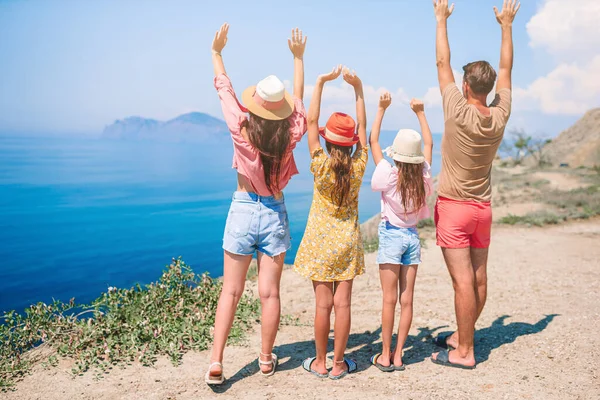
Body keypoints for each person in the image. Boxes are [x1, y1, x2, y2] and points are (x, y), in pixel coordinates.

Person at [205, 23, 308, 384]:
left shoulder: (241, 129)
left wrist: (217, 53)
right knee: (270, 293)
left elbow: (225, 90)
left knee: (230, 291)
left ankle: (217, 362)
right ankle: (265, 359)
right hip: (274, 212)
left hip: (244, 208)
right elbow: (299, 101)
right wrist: (298, 59)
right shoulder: (293, 133)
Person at [430, 0, 520, 369]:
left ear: (465, 85)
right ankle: (461, 336)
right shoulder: (499, 114)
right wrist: (506, 26)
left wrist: (440, 19)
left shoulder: (456, 108)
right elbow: (506, 68)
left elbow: (441, 64)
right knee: (479, 277)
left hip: (453, 208)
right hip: (482, 209)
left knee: (462, 282)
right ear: (490, 88)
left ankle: (464, 352)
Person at [293, 66, 368, 380]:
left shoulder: (319, 164)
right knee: (344, 304)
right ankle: (340, 365)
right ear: (350, 144)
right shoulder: (359, 165)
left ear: (327, 143)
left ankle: (320, 362)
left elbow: (310, 121)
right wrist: (359, 90)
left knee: (323, 305)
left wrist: (321, 82)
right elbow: (362, 128)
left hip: (320, 242)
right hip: (346, 242)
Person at [369, 94, 434, 372]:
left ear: (396, 155)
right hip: (411, 238)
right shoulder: (424, 178)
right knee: (407, 300)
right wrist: (420, 112)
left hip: (392, 236)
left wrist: (381, 109)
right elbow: (429, 143)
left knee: (389, 299)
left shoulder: (388, 174)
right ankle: (399, 355)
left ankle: (384, 355)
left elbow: (372, 142)